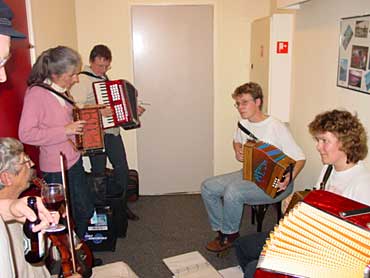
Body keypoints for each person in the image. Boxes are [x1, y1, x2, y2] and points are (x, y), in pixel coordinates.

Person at [234, 109, 370, 278]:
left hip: (328, 256)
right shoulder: (328, 169)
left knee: (254, 268)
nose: (318, 147)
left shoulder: (362, 185)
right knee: (242, 246)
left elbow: (358, 250)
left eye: (324, 141)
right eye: (317, 140)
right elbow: (319, 203)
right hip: (312, 237)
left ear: (346, 143)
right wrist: (298, 203)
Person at [0, 137, 139, 277]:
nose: (32, 163)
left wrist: (56, 233)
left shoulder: (20, 210)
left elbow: (48, 257)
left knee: (122, 269)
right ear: (7, 178)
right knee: (122, 272)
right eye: (25, 161)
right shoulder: (5, 231)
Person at [201, 82, 306, 252]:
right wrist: (237, 150)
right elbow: (236, 140)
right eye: (238, 103)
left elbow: (300, 158)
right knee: (207, 187)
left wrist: (289, 179)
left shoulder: (275, 126)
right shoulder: (243, 123)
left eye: (244, 102)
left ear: (258, 102)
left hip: (276, 184)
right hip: (249, 174)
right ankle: (223, 230)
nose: (240, 107)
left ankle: (229, 235)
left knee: (233, 192)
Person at [18, 46, 94, 239]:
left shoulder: (62, 91)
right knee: (60, 218)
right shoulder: (37, 94)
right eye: (72, 75)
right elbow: (26, 134)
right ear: (55, 74)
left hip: (73, 160)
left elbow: (64, 122)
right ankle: (68, 258)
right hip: (55, 166)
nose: (76, 79)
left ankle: (78, 249)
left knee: (84, 209)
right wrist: (65, 131)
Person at [70, 44, 145, 220]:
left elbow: (117, 104)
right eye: (99, 66)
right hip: (95, 135)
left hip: (112, 132)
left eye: (106, 66)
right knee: (98, 172)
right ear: (91, 61)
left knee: (122, 169)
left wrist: (133, 108)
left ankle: (121, 206)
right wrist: (98, 111)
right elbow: (74, 108)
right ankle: (101, 210)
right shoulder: (82, 80)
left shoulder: (105, 79)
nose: (103, 70)